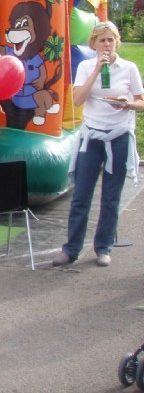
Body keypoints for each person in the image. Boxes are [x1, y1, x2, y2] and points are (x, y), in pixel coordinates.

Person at [53, 21, 143, 268]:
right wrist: (96, 71)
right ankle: (71, 249)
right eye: (101, 40)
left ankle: (103, 247)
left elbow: (141, 100)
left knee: (111, 196)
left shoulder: (129, 68)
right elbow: (79, 100)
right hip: (92, 136)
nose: (106, 44)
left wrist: (128, 104)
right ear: (93, 43)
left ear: (117, 42)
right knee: (81, 194)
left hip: (118, 137)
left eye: (110, 40)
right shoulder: (84, 66)